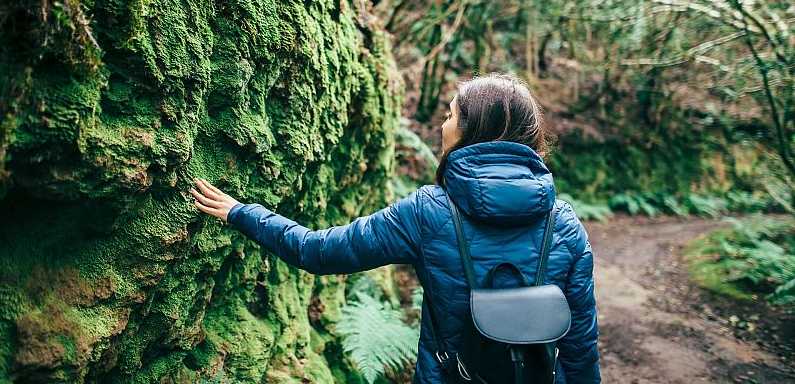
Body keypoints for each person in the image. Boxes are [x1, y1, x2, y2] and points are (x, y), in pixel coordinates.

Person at [190, 73, 600, 383]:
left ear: (471, 131)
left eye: (451, 115)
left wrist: (240, 212)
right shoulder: (564, 223)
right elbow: (580, 343)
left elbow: (318, 252)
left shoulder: (428, 212)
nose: (442, 125)